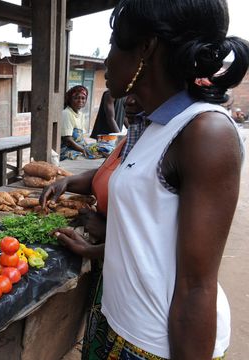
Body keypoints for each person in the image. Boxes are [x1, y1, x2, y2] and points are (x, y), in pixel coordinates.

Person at [54, 0, 248, 359]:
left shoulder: (204, 132)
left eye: (113, 44)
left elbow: (195, 286)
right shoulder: (152, 127)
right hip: (118, 320)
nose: (107, 60)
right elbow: (152, 243)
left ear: (146, 48)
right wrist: (95, 251)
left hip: (155, 345)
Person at [40, 95, 145, 360]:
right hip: (111, 271)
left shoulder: (171, 145)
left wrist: (97, 243)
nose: (128, 102)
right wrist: (68, 182)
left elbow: (155, 237)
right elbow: (103, 175)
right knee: (100, 332)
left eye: (137, 91)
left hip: (139, 298)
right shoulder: (129, 139)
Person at [60, 85, 103, 160]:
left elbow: (81, 139)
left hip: (78, 148)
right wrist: (84, 150)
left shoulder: (81, 115)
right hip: (68, 150)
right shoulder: (66, 113)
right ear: (70, 99)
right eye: (76, 98)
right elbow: (68, 140)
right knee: (88, 157)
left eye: (83, 98)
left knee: (103, 148)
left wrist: (90, 148)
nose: (80, 101)